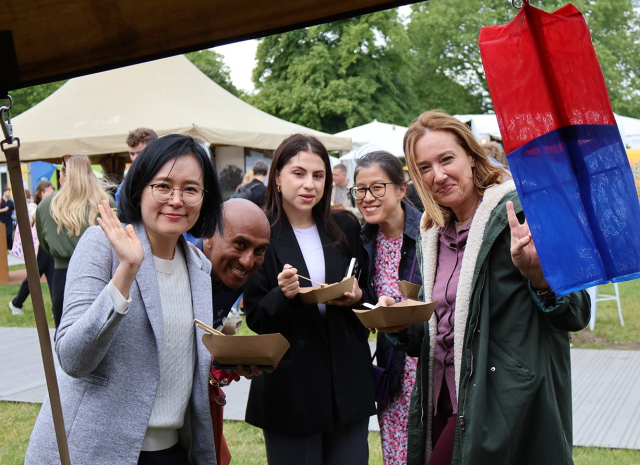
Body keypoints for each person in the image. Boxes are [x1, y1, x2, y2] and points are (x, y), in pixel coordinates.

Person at [375, 111, 591, 465]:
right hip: (442, 397)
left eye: (446, 159)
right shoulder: (431, 234)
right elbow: (442, 331)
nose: (438, 175)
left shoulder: (519, 214)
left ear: (472, 156)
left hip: (504, 399)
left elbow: (578, 311)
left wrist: (539, 276)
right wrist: (399, 322)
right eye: (424, 167)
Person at [25, 134, 224, 465]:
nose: (176, 199)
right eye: (163, 186)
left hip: (173, 452)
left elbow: (177, 360)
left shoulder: (198, 266)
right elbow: (73, 358)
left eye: (190, 189)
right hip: (93, 450)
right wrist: (127, 272)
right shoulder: (101, 246)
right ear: (140, 188)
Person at [243, 134, 375, 464]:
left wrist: (358, 296)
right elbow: (257, 319)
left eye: (318, 176)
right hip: (291, 390)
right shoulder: (260, 230)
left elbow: (367, 300)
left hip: (346, 383)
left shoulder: (344, 226)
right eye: (298, 173)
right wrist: (283, 295)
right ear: (277, 176)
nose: (309, 185)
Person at [352, 151, 422, 465]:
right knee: (396, 457)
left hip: (431, 369)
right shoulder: (364, 238)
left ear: (401, 189)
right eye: (360, 190)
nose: (367, 197)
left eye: (377, 188)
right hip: (392, 370)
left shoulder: (431, 233)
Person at [35, 155, 116, 329]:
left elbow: (44, 243)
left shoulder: (47, 205)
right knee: (101, 333)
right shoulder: (105, 202)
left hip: (62, 274)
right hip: (100, 273)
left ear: (65, 174)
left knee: (66, 334)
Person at [9, 181, 56, 316]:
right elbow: (34, 216)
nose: (52, 195)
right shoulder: (33, 206)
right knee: (32, 279)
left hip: (49, 249)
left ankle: (56, 308)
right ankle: (16, 303)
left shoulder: (52, 206)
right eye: (49, 192)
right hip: (38, 251)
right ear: (41, 193)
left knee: (53, 278)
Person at [116, 127, 159, 204]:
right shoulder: (127, 182)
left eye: (140, 153)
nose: (135, 158)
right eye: (132, 154)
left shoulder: (167, 171)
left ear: (154, 150)